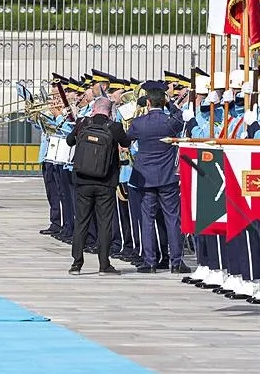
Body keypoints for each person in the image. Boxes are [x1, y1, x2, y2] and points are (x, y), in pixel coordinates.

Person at [127, 81, 191, 274]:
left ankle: (150, 262)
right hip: (167, 176)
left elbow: (128, 138)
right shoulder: (169, 122)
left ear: (147, 102)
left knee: (147, 220)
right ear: (163, 102)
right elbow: (181, 118)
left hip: (145, 177)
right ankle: (176, 261)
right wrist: (169, 103)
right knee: (172, 219)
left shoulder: (138, 123)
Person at [66, 97, 131, 275]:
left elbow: (69, 141)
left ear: (94, 109)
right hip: (105, 182)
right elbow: (126, 143)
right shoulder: (114, 127)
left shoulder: (82, 122)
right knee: (104, 223)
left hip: (82, 180)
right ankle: (104, 265)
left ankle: (76, 264)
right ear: (110, 112)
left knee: (81, 222)